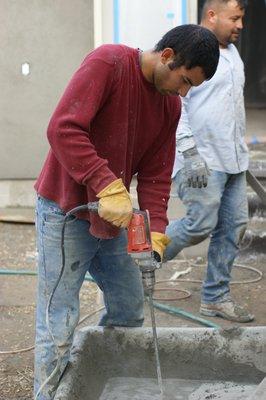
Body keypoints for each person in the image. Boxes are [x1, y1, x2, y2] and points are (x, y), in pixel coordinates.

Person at [34, 24, 219, 399]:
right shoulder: (109, 63)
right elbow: (63, 129)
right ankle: (48, 394)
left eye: (191, 88)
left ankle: (110, 383)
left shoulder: (168, 105)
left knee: (129, 306)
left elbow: (154, 175)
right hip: (66, 210)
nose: (183, 92)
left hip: (111, 217)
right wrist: (105, 182)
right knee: (59, 320)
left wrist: (154, 231)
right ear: (167, 56)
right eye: (183, 80)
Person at [165, 0, 254, 323]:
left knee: (233, 227)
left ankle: (215, 297)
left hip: (232, 159)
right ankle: (141, 262)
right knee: (200, 224)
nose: (240, 26)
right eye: (235, 18)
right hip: (200, 158)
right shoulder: (188, 48)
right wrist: (189, 152)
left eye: (242, 19)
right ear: (212, 15)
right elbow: (175, 101)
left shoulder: (233, 53)